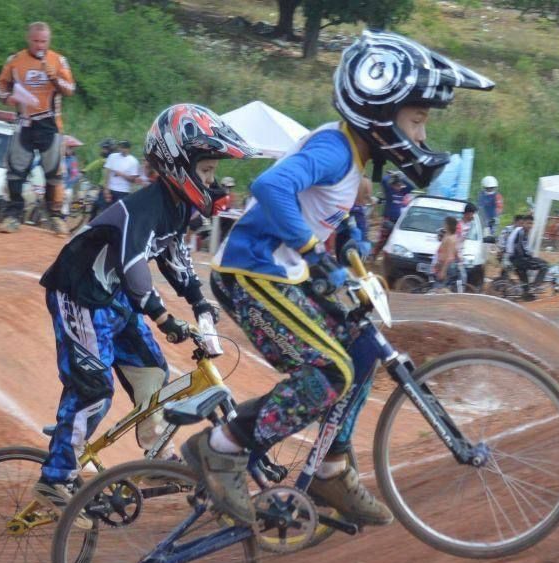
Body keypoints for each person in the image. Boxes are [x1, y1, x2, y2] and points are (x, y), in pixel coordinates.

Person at [191, 30, 494, 527]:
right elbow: (271, 186)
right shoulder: (334, 149)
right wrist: (315, 252)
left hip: (285, 273)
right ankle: (221, 448)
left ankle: (331, 467)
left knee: (363, 348)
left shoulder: (353, 159)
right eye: (417, 121)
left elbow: (334, 214)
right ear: (381, 112)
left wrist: (348, 245)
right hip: (254, 272)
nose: (421, 136)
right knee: (331, 371)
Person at [33, 104, 256, 516]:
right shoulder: (146, 205)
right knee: (94, 388)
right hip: (79, 295)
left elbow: (173, 259)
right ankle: (55, 478)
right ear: (178, 165)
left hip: (112, 300)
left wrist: (198, 299)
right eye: (206, 171)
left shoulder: (176, 208)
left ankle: (155, 455)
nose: (211, 182)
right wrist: (161, 314)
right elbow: (134, 264)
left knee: (153, 370)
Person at [0, 21, 76, 234]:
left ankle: (56, 217)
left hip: (50, 124)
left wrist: (54, 76)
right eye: (36, 41)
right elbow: (0, 85)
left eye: (44, 41)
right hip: (24, 122)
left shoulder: (58, 60)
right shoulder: (15, 61)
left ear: (49, 41)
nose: (40, 45)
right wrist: (7, 97)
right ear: (28, 39)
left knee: (54, 173)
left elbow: (70, 89)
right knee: (15, 171)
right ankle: (13, 215)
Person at [372, 170, 414, 257]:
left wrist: (402, 177)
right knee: (383, 239)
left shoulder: (402, 192)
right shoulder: (390, 191)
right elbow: (384, 180)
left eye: (400, 185)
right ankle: (372, 255)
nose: (399, 187)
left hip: (397, 220)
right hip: (388, 218)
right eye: (398, 185)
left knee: (393, 239)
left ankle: (387, 256)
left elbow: (411, 187)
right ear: (393, 185)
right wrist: (391, 175)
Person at [507, 214, 547, 300]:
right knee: (544, 265)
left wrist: (528, 255)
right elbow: (518, 247)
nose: (530, 226)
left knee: (526, 289)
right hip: (519, 259)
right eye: (528, 223)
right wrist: (528, 258)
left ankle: (527, 294)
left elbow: (523, 247)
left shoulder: (522, 232)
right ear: (523, 223)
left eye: (531, 224)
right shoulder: (521, 232)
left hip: (515, 259)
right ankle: (535, 286)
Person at [103, 140, 139, 208]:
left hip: (123, 191)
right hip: (111, 189)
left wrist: (121, 174)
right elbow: (107, 172)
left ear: (128, 149)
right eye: (120, 147)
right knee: (106, 210)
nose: (121, 149)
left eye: (123, 147)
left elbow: (133, 179)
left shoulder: (133, 161)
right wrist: (106, 188)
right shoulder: (112, 156)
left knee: (118, 212)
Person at [432, 216, 464, 291]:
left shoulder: (450, 238)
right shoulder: (449, 236)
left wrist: (443, 271)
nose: (444, 225)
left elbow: (450, 257)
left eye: (445, 223)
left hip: (447, 266)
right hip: (443, 264)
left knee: (440, 288)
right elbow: (455, 251)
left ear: (448, 225)